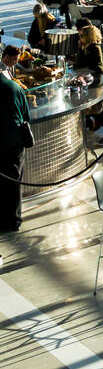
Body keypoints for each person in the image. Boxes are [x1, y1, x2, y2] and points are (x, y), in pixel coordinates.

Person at [0, 44, 32, 237]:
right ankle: (14, 220)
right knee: (14, 181)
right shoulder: (14, 88)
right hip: (13, 143)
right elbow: (26, 116)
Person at [74, 23, 103, 138]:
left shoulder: (94, 48)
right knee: (98, 109)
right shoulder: (88, 48)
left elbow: (83, 65)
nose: (80, 38)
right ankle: (101, 127)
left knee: (102, 110)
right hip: (95, 82)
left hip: (99, 83)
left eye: (81, 36)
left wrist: (80, 51)